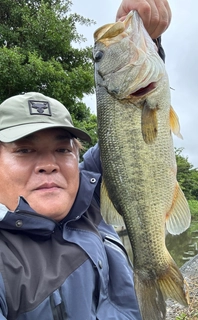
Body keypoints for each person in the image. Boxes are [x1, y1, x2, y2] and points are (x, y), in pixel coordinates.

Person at [0, 0, 171, 319]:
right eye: (24, 150)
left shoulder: (85, 195)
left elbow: (127, 145)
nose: (49, 164)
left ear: (77, 155)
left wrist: (150, 40)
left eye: (63, 149)